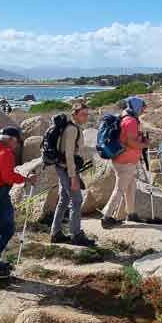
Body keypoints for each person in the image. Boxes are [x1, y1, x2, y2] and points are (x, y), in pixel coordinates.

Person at [0, 126, 37, 277]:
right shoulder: (6, 153)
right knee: (7, 230)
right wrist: (26, 179)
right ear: (12, 139)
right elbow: (8, 178)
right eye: (18, 141)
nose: (17, 145)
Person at [50, 102, 95, 246]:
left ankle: (56, 233)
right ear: (74, 114)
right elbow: (69, 154)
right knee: (76, 201)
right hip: (67, 169)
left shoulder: (72, 127)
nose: (85, 117)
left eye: (87, 114)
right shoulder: (72, 129)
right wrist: (73, 177)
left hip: (63, 167)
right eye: (83, 114)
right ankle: (76, 235)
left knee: (64, 199)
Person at [101, 97, 150, 228]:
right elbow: (131, 142)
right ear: (137, 107)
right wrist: (144, 145)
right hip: (126, 161)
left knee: (130, 187)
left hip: (121, 159)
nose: (143, 110)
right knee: (120, 189)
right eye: (143, 107)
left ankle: (131, 213)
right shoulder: (131, 121)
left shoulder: (124, 117)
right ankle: (106, 216)